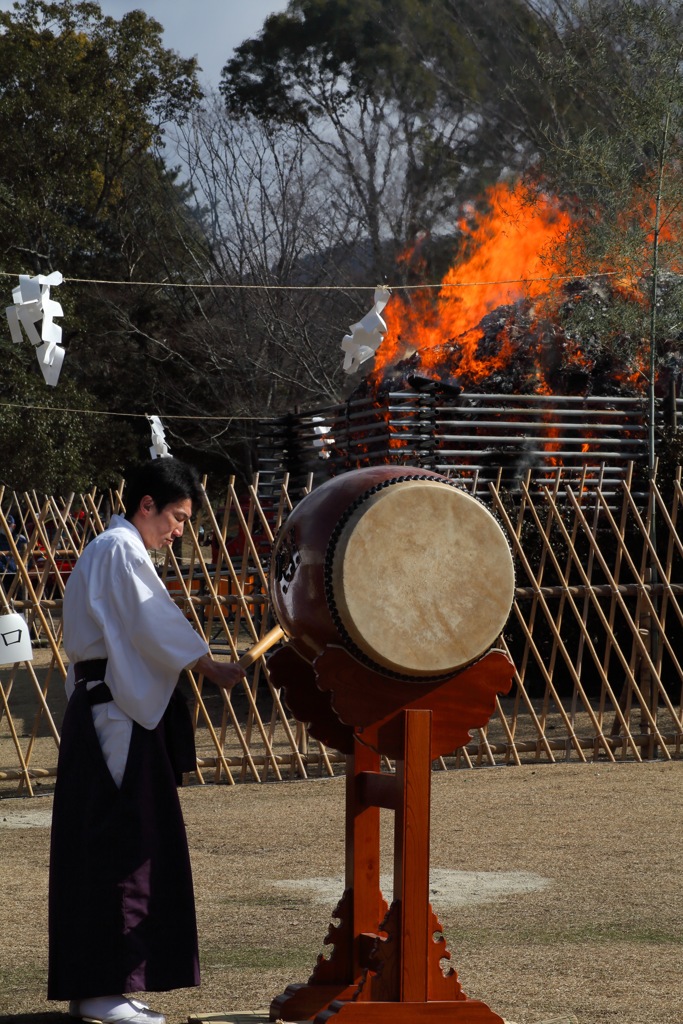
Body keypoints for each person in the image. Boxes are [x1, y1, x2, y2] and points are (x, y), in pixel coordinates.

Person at [48, 459, 245, 1024]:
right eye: (177, 518)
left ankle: (106, 985)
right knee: (121, 842)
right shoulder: (117, 549)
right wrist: (207, 664)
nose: (180, 531)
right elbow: (150, 621)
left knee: (119, 839)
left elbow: (144, 623)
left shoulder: (115, 550)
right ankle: (105, 988)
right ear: (146, 506)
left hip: (111, 708)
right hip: (115, 714)